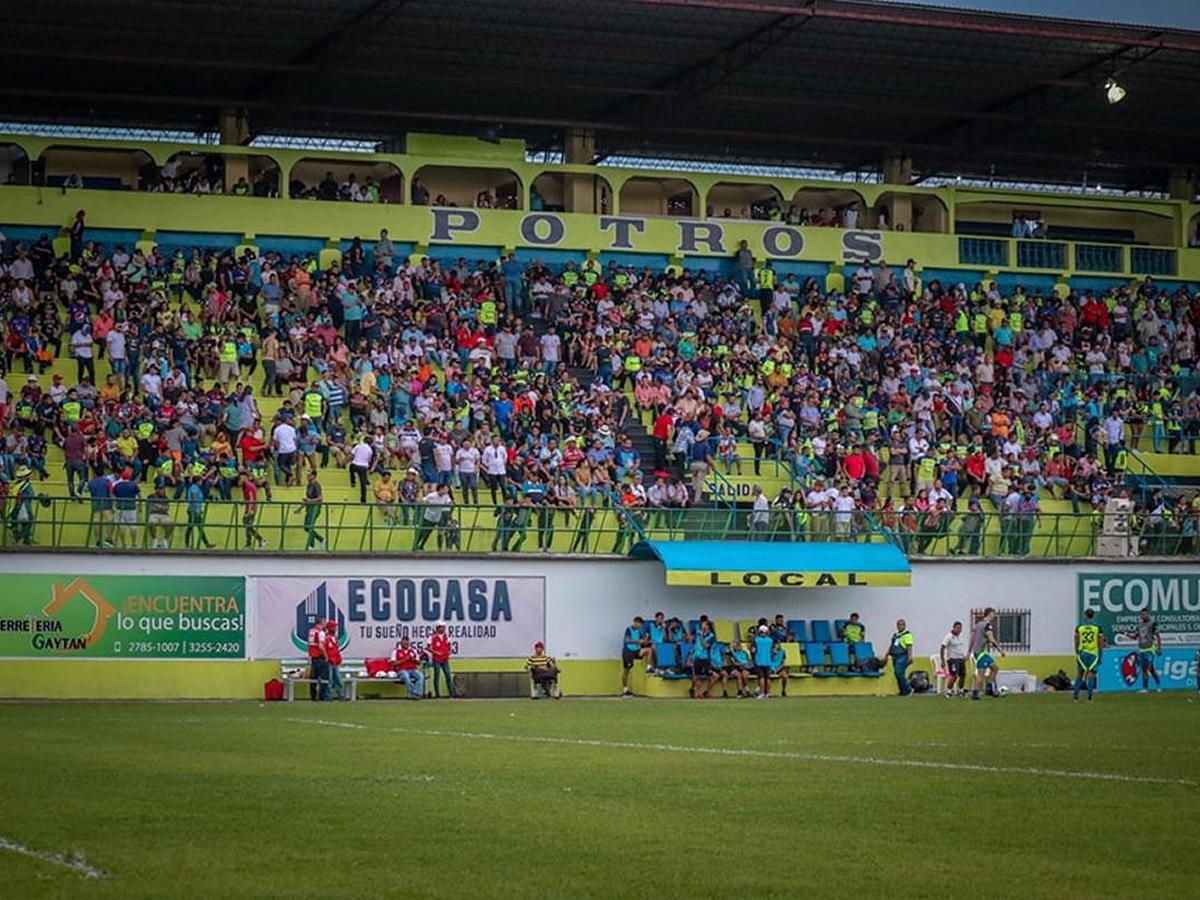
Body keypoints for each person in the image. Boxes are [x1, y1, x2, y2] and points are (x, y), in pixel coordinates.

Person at [969, 607, 1004, 700]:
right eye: (993, 614)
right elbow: (991, 639)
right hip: (980, 653)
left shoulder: (978, 624)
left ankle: (989, 689)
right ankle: (975, 693)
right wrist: (1000, 650)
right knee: (981, 674)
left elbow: (971, 639)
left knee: (995, 668)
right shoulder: (987, 625)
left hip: (981, 652)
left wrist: (969, 652)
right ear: (989, 614)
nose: (994, 616)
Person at [1124, 609, 1162, 692]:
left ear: (1148, 614)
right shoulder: (1139, 625)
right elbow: (1135, 637)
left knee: (1149, 667)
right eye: (1141, 615)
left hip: (1150, 649)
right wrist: (1125, 633)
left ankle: (1158, 685)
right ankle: (1145, 688)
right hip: (1142, 649)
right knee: (1146, 669)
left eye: (1144, 614)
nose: (1143, 616)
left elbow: (1158, 636)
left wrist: (1159, 648)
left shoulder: (1153, 624)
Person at [1073, 608, 1105, 702]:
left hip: (1082, 652)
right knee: (1091, 675)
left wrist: (1077, 651)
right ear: (1093, 615)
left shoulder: (1080, 627)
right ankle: (1089, 698)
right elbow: (1100, 642)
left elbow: (1076, 640)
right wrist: (1100, 654)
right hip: (1093, 653)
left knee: (1080, 674)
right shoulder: (1097, 627)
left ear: (1085, 615)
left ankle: (1075, 697)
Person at [620, 616, 650, 697]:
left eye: (641, 625)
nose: (639, 626)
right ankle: (625, 690)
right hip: (628, 651)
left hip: (636, 651)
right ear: (635, 622)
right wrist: (637, 641)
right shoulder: (628, 630)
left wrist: (645, 640)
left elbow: (642, 642)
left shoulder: (639, 632)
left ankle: (649, 668)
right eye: (639, 624)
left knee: (648, 650)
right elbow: (627, 640)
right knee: (627, 670)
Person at [688, 619, 717, 700]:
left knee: (710, 676)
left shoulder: (711, 636)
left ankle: (709, 691)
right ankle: (698, 692)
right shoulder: (698, 633)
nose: (702, 625)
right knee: (696, 676)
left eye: (704, 624)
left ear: (708, 626)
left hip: (706, 658)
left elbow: (705, 646)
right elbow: (692, 642)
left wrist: (700, 636)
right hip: (696, 657)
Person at [886, 619, 914, 696]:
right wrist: (886, 655)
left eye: (902, 625)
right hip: (894, 656)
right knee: (897, 673)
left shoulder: (907, 635)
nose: (900, 626)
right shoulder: (895, 635)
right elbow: (891, 645)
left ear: (905, 625)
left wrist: (910, 657)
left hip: (902, 655)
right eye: (899, 625)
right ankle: (903, 691)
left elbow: (909, 646)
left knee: (899, 673)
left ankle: (908, 689)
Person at [939, 620, 967, 697]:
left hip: (960, 658)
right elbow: (942, 648)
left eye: (960, 628)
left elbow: (959, 648)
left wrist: (964, 656)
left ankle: (961, 691)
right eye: (957, 628)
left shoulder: (960, 636)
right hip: (952, 659)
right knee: (954, 675)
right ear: (953, 628)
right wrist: (942, 660)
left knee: (963, 675)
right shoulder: (949, 637)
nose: (959, 630)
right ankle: (948, 691)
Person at [300, 469, 325, 549]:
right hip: (309, 507)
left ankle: (311, 545)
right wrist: (300, 508)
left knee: (310, 526)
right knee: (306, 527)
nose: (307, 477)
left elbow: (320, 498)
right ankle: (321, 539)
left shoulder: (316, 485)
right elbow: (308, 498)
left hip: (315, 507)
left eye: (309, 475)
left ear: (314, 476)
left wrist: (310, 501)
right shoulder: (309, 485)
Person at [306, 616, 329, 702]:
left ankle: (313, 696)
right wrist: (326, 656)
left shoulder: (311, 631)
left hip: (313, 657)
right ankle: (322, 696)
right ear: (321, 623)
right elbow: (321, 646)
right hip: (320, 657)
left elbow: (309, 644)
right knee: (324, 678)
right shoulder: (321, 633)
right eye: (324, 622)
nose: (325, 624)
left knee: (313, 678)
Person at [429, 623, 454, 698]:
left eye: (443, 627)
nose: (443, 629)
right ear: (437, 628)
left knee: (448, 676)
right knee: (437, 676)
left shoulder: (447, 637)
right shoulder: (432, 637)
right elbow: (428, 648)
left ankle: (451, 694)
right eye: (441, 627)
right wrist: (436, 652)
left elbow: (449, 646)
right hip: (437, 660)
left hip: (445, 659)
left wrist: (449, 651)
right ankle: (437, 694)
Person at [324, 621, 347, 701]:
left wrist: (338, 659)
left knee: (338, 679)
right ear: (329, 628)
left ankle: (342, 696)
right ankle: (328, 697)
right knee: (329, 680)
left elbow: (336, 651)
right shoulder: (326, 639)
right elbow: (326, 651)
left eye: (335, 627)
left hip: (335, 662)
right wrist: (328, 659)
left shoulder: (335, 639)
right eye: (333, 627)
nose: (335, 628)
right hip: (329, 662)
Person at [752, 624, 776, 699]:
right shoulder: (770, 640)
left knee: (761, 678)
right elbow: (773, 651)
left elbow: (753, 650)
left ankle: (762, 693)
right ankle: (768, 693)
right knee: (768, 678)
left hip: (759, 661)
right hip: (768, 661)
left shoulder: (756, 640)